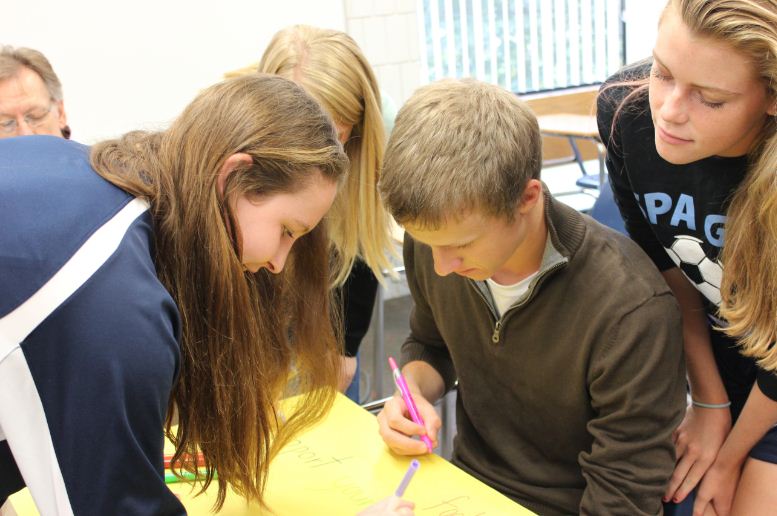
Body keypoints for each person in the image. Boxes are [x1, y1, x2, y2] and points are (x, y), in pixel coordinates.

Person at [0, 73, 412, 516]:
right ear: (234, 175)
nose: (278, 263)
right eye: (286, 231)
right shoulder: (117, 310)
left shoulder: (70, 169)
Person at [375, 78, 686, 514]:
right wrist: (413, 394)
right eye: (430, 246)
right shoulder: (435, 241)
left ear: (527, 198)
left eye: (461, 247)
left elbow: (623, 495)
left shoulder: (630, 308)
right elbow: (430, 343)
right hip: (463, 488)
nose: (442, 266)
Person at [597, 1, 777, 514]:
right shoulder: (626, 113)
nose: (669, 111)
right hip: (725, 366)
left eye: (712, 99)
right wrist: (709, 400)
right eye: (662, 73)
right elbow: (670, 268)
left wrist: (728, 458)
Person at [255, 25, 397, 400]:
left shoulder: (371, 148)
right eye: (300, 133)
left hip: (330, 302)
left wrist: (345, 346)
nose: (317, 151)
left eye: (333, 133)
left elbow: (361, 244)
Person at [0, 46, 70, 139]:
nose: (25, 134)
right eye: (7, 123)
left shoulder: (91, 153)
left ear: (60, 113)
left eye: (35, 116)